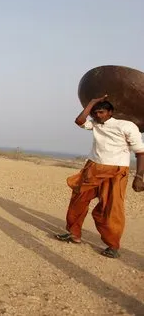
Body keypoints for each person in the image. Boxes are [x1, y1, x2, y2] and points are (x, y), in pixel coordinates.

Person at [56, 95, 144, 258]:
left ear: (110, 112)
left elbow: (140, 152)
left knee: (111, 208)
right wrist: (91, 103)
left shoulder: (126, 126)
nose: (97, 115)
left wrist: (139, 177)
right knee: (78, 201)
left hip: (116, 172)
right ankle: (74, 234)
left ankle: (113, 246)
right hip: (93, 168)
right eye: (95, 113)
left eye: (101, 112)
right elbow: (79, 121)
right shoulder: (95, 124)